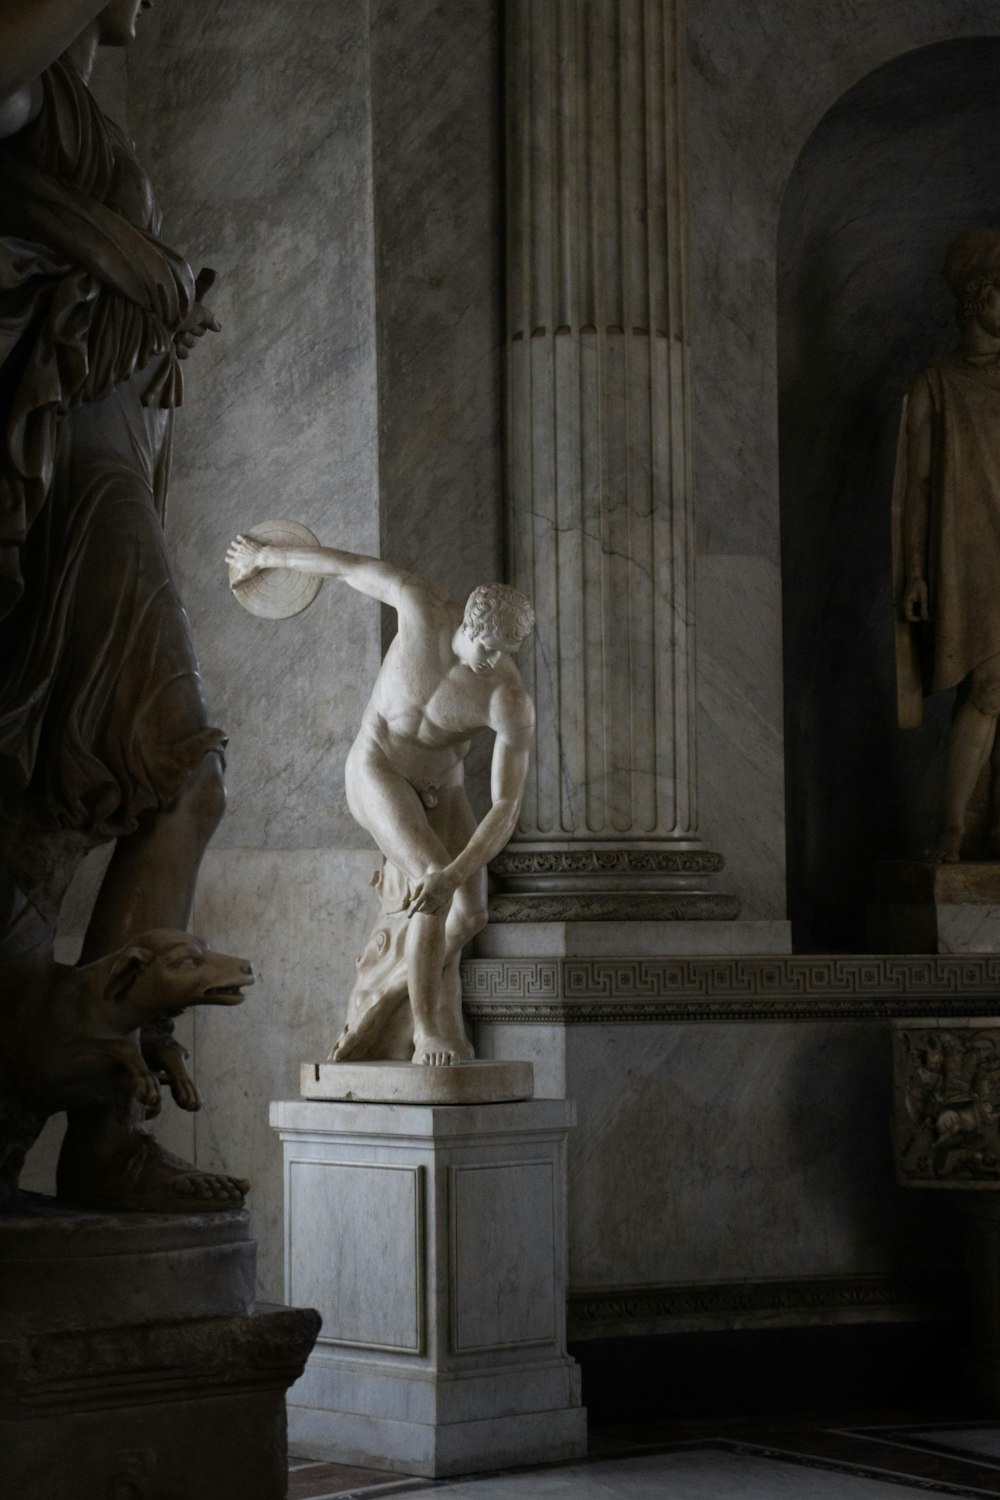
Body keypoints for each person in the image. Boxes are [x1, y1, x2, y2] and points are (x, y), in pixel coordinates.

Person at [0, 0, 247, 1208]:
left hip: (97, 460)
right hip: (55, 469)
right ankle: (99, 1130)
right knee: (169, 777)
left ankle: (107, 1136)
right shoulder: (33, 86)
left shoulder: (74, 106)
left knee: (181, 782)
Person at [226, 534, 535, 1065]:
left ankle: (389, 991)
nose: (496, 661)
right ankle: (429, 1032)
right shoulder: (420, 606)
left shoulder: (507, 697)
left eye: (508, 652)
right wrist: (266, 558)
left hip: (446, 785)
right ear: (466, 623)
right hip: (379, 769)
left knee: (472, 912)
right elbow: (346, 568)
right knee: (431, 881)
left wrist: (460, 874)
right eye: (489, 648)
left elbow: (506, 805)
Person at [898, 227, 1000, 863]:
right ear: (979, 296)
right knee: (988, 684)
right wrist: (914, 572)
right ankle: (953, 828)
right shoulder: (936, 383)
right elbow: (915, 487)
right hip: (969, 553)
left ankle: (980, 827)